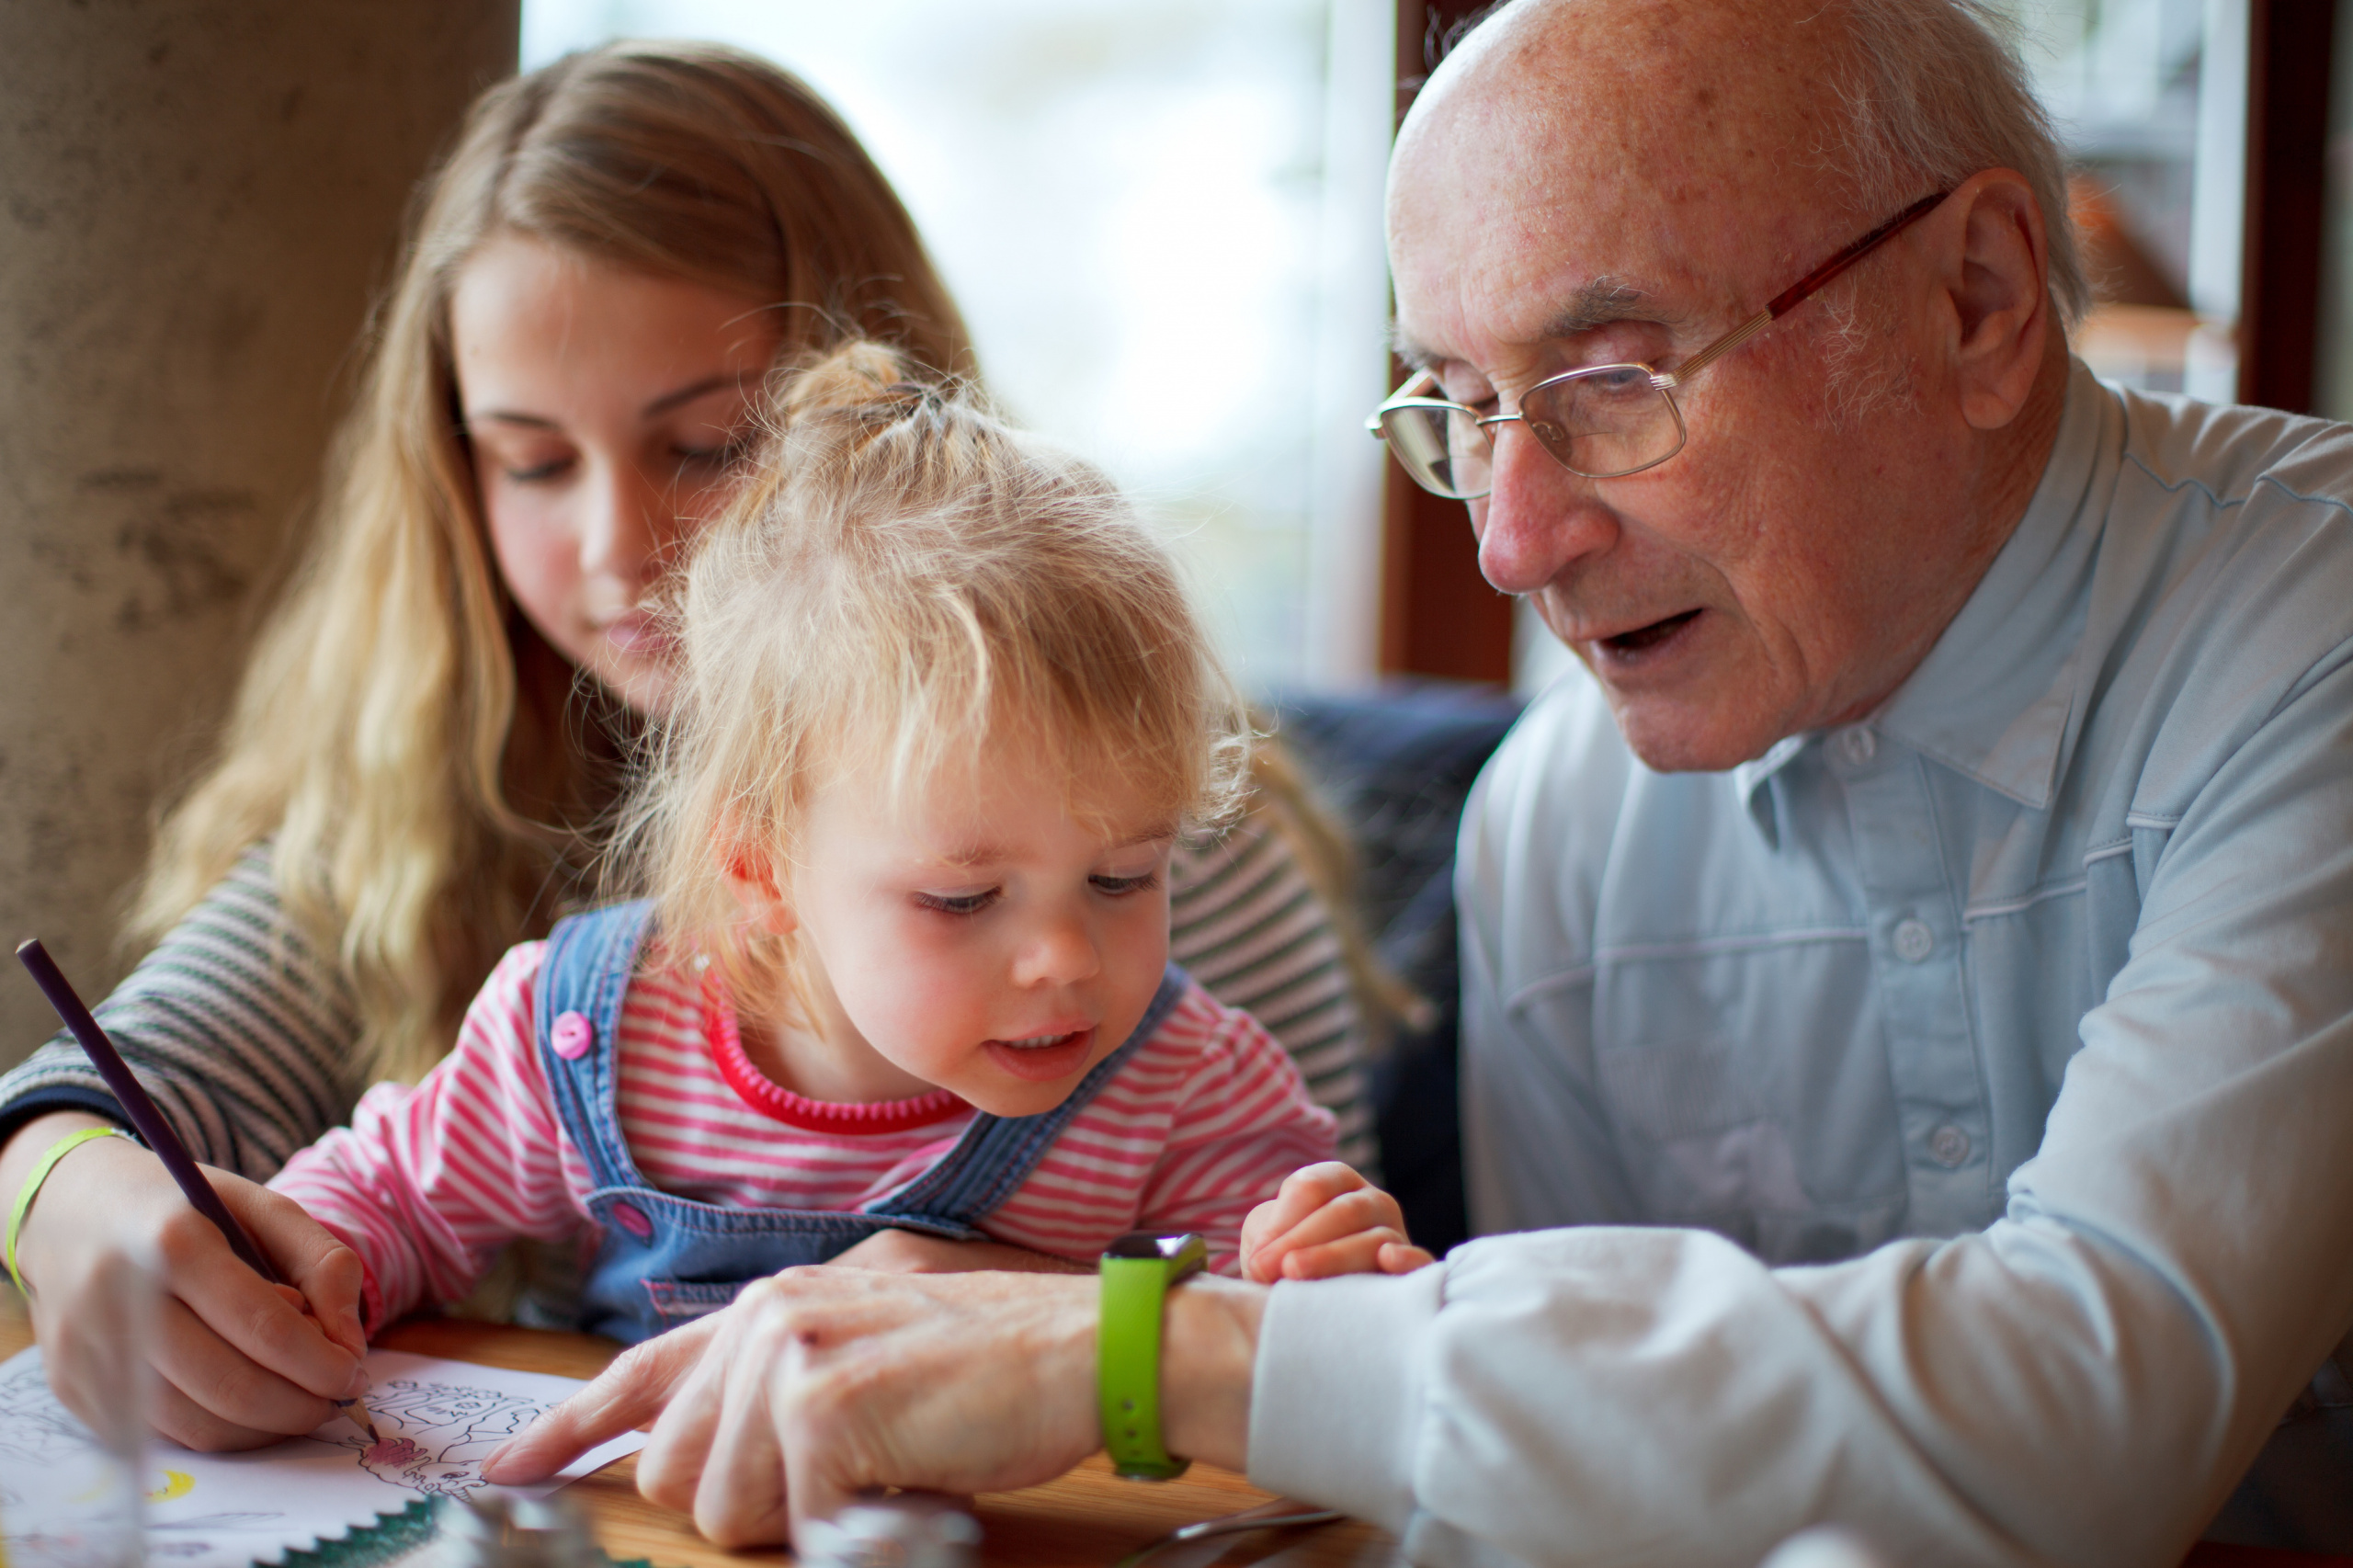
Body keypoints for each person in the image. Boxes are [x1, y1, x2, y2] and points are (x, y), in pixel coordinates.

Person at [482, 1, 2353, 1562]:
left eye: (1610, 374)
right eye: (1453, 406)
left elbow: (2101, 1409)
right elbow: (1575, 1504)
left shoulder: (2315, 643)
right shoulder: (1556, 820)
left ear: (1972, 300)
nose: (1510, 543)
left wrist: (1134, 1354)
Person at [0, 40, 1379, 1453]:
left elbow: (1323, 1341)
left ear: (877, 430)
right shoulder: (437, 832)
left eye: (713, 443)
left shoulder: (1142, 834)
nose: (616, 551)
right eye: (533, 460)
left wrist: (997, 1302)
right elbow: (113, 1095)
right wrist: (66, 1193)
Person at [264, 342, 1339, 1343]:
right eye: (963, 897)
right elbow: (384, 1202)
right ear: (761, 866)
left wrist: (1323, 1274)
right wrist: (297, 1280)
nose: (1067, 953)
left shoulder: (1188, 1092)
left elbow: (1291, 1364)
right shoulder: (593, 1033)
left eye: (1122, 876)